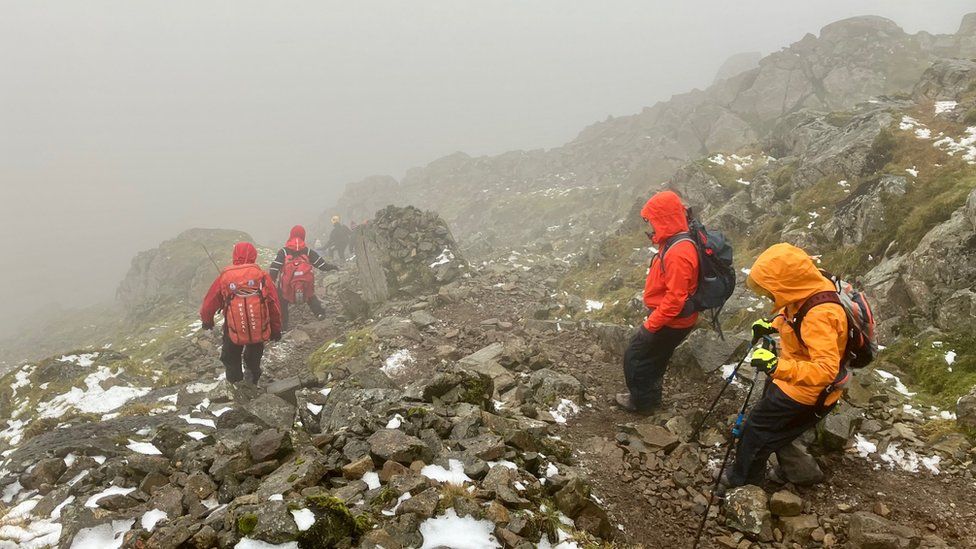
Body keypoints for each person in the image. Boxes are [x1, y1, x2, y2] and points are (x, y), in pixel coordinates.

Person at [726, 242, 848, 488]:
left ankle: (743, 483)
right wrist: (773, 325)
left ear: (786, 282)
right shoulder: (813, 284)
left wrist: (776, 367)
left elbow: (826, 370)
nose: (768, 295)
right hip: (795, 377)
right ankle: (802, 473)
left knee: (755, 432)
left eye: (770, 290)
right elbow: (795, 313)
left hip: (804, 390)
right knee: (775, 430)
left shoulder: (819, 316)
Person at [616, 190, 699, 415]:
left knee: (636, 357)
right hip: (675, 319)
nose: (650, 225)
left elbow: (675, 299)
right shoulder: (676, 239)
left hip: (672, 321)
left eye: (653, 220)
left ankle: (641, 403)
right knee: (656, 358)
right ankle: (650, 397)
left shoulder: (678, 252)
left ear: (664, 219)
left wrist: (650, 326)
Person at [200, 242, 282, 385]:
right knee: (254, 354)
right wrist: (275, 329)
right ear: (253, 255)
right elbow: (273, 304)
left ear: (235, 255)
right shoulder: (262, 276)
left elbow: (210, 301)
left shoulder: (225, 277)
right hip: (258, 325)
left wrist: (207, 320)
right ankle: (252, 378)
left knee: (230, 356)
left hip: (233, 326)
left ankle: (235, 385)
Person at [269, 225, 338, 330]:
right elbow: (322, 265)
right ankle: (319, 313)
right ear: (303, 236)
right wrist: (333, 267)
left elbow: (274, 268)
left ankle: (283, 325)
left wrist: (271, 282)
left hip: (287, 287)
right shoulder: (308, 251)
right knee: (310, 296)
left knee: (282, 301)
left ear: (291, 235)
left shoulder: (283, 252)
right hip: (305, 284)